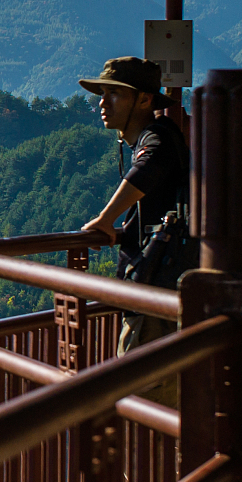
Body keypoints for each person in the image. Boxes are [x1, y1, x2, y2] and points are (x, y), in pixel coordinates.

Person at [75, 56, 190, 357]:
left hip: (156, 293)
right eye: (102, 94)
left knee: (141, 391)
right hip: (160, 289)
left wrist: (105, 219)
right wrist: (123, 233)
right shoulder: (159, 137)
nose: (102, 103)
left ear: (144, 100)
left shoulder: (157, 137)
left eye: (115, 93)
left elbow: (148, 167)